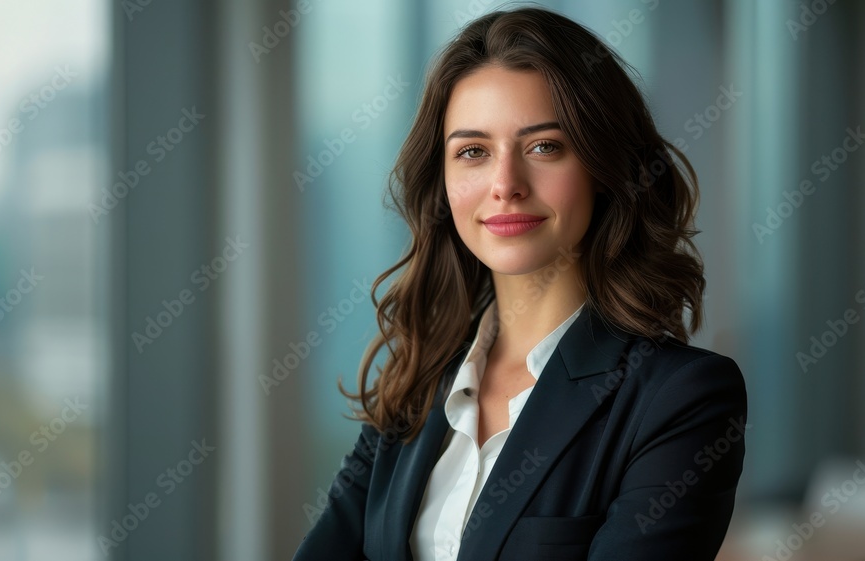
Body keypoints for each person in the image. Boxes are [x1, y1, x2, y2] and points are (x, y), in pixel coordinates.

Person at [292, 6, 747, 561]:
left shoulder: (679, 399)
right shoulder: (415, 380)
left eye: (544, 146)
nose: (505, 184)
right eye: (473, 152)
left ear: (605, 169)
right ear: (444, 181)